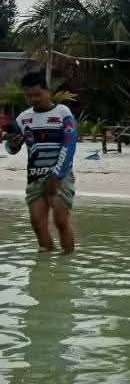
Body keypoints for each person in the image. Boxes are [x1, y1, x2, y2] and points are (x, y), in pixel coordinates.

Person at [3, 72, 78, 253]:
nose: (33, 99)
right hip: (34, 177)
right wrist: (12, 144)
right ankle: (45, 266)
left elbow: (69, 144)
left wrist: (57, 175)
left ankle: (67, 263)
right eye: (28, 96)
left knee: (61, 221)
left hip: (61, 176)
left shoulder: (63, 113)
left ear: (48, 91)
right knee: (37, 224)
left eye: (37, 94)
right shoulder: (23, 118)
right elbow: (12, 148)